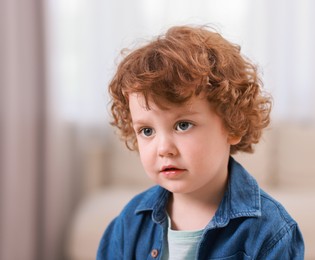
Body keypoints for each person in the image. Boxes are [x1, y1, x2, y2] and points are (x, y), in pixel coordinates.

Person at [97, 25, 304, 259]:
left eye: (182, 125)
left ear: (232, 124)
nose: (164, 148)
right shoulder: (130, 222)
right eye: (147, 131)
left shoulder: (270, 231)